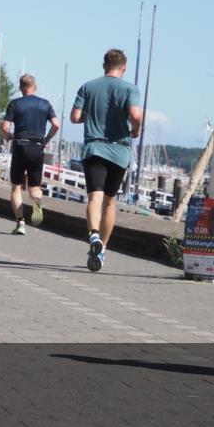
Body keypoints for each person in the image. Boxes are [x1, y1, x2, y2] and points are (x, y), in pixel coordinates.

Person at [70, 49, 142, 272]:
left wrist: (89, 117)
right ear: (124, 67)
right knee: (110, 202)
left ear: (104, 65)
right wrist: (135, 129)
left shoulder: (88, 86)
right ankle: (102, 250)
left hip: (94, 148)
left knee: (94, 198)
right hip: (119, 152)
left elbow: (74, 117)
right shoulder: (130, 88)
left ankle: (93, 237)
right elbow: (136, 115)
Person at [0, 74, 60, 235]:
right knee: (34, 187)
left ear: (20, 88)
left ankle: (20, 223)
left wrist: (9, 138)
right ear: (35, 87)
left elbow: (5, 127)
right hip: (37, 148)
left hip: (20, 146)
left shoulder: (15, 104)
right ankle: (37, 202)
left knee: (16, 187)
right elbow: (56, 124)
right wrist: (46, 140)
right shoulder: (45, 104)